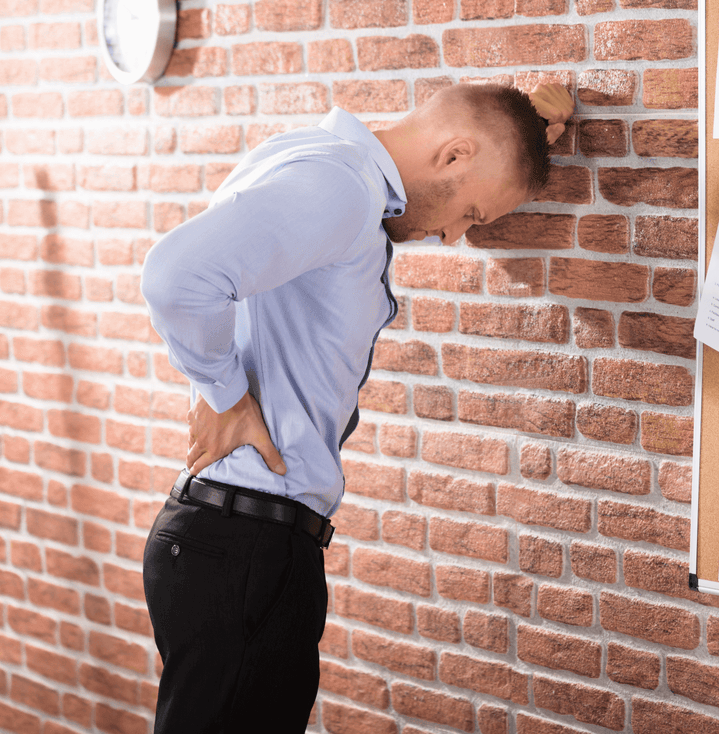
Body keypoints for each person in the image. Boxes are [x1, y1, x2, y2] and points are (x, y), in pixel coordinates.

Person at [140, 81, 574, 734]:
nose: (456, 236)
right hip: (246, 549)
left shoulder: (320, 162)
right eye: (474, 216)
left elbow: (480, 122)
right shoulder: (341, 189)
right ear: (455, 155)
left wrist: (537, 119)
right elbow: (176, 277)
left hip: (236, 544)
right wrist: (224, 395)